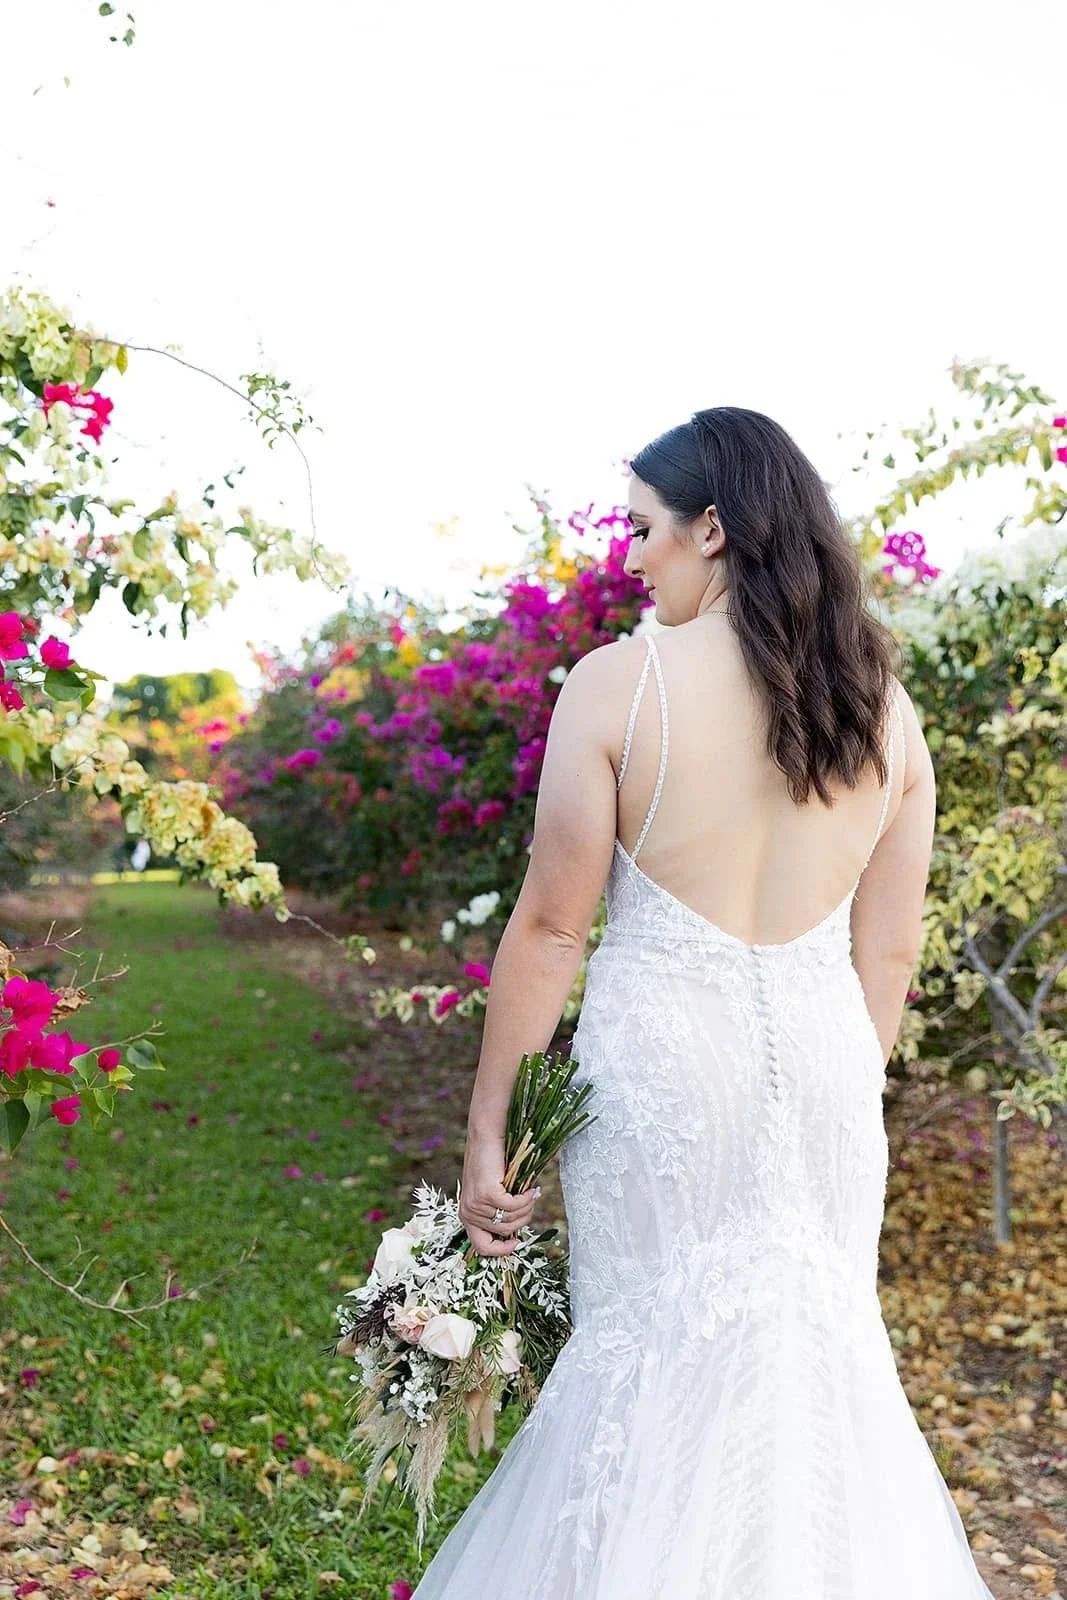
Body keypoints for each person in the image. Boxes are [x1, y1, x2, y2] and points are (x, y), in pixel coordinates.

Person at [413, 408, 994, 1597]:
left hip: (665, 1068)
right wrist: (838, 1083)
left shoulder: (616, 687)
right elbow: (886, 952)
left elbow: (552, 927)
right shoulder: (882, 706)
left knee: (647, 1362)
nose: (630, 558)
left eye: (643, 530)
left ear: (713, 529)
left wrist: (492, 1128)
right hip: (829, 1071)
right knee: (815, 1378)